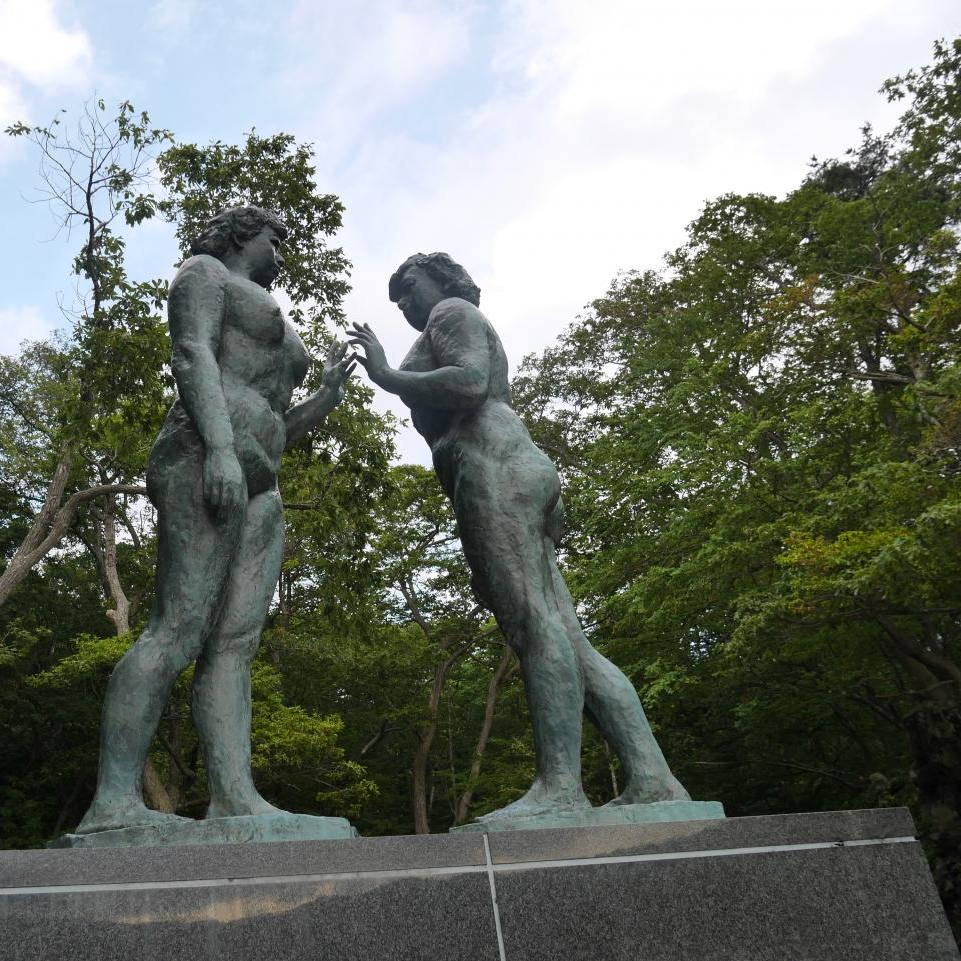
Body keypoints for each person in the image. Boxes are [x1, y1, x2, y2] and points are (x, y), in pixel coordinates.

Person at [348, 252, 689, 819]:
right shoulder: (445, 324)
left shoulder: (451, 312)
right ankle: (653, 780)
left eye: (408, 287)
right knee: (568, 638)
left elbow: (469, 384)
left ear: (443, 279)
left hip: (494, 466)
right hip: (508, 467)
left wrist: (385, 375)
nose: (403, 302)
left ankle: (560, 789)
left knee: (534, 625)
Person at [77, 206, 354, 833]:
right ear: (242, 235)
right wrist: (221, 448)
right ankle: (112, 803)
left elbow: (277, 423)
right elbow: (191, 353)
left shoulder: (270, 312)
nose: (282, 252)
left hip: (261, 481)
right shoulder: (204, 273)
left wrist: (326, 397)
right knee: (176, 629)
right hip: (202, 455)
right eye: (274, 239)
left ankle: (235, 798)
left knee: (235, 644)